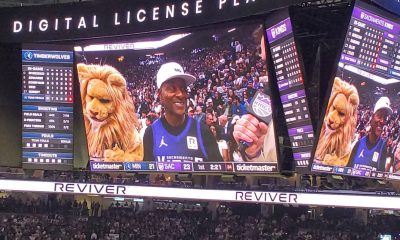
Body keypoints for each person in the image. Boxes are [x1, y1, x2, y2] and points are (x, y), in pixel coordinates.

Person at [143, 62, 222, 162]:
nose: (180, 94)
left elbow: (219, 174)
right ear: (159, 94)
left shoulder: (203, 131)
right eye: (172, 89)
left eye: (183, 88)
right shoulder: (151, 133)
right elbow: (146, 176)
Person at [232, 26, 277, 162]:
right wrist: (254, 153)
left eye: (273, 59)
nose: (267, 69)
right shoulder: (268, 117)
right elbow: (263, 179)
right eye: (265, 62)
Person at [347, 97, 392, 172]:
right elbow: (347, 172)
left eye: (385, 118)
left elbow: (379, 178)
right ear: (372, 117)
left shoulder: (382, 148)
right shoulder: (359, 144)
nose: (382, 121)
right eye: (379, 116)